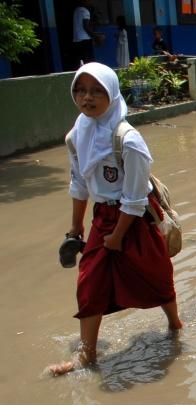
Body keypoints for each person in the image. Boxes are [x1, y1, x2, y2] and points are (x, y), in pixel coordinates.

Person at [49, 63, 183, 375]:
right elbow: (80, 184)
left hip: (136, 218)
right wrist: (75, 227)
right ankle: (87, 354)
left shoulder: (128, 140)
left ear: (111, 94)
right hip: (104, 216)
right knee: (89, 283)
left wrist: (119, 236)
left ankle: (175, 324)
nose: (87, 98)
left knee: (157, 275)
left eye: (96, 91)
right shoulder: (76, 136)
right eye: (80, 90)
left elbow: (136, 199)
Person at [72, 0, 101, 69]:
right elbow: (86, 27)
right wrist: (95, 36)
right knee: (89, 61)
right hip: (85, 39)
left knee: (80, 60)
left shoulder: (76, 10)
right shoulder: (85, 11)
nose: (90, 3)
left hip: (77, 39)